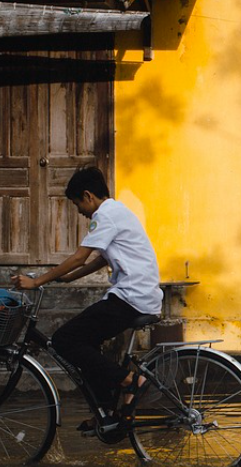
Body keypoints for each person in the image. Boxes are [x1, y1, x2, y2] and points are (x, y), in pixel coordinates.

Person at [12, 166, 163, 432]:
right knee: (87, 345)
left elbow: (81, 256)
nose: (79, 212)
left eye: (77, 204)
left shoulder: (105, 216)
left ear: (88, 196)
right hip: (137, 294)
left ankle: (130, 380)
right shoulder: (118, 212)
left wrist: (37, 281)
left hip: (131, 297)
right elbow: (102, 257)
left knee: (64, 339)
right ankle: (105, 412)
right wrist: (70, 278)